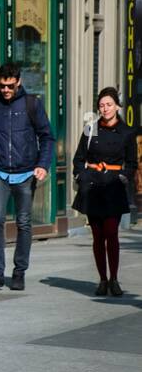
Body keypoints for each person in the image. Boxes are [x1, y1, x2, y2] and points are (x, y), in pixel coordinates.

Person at [0, 62, 54, 292]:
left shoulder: (32, 104)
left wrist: (43, 165)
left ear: (18, 82)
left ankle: (19, 272)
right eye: (2, 86)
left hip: (26, 173)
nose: (6, 90)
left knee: (24, 222)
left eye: (10, 86)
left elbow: (47, 137)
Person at [71, 87, 137, 297]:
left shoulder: (126, 132)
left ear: (117, 106)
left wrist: (123, 177)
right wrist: (82, 176)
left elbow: (132, 162)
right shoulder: (92, 129)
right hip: (93, 187)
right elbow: (79, 158)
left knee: (112, 233)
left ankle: (115, 279)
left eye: (109, 105)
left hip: (113, 187)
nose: (105, 109)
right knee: (98, 236)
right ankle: (102, 279)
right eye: (101, 105)